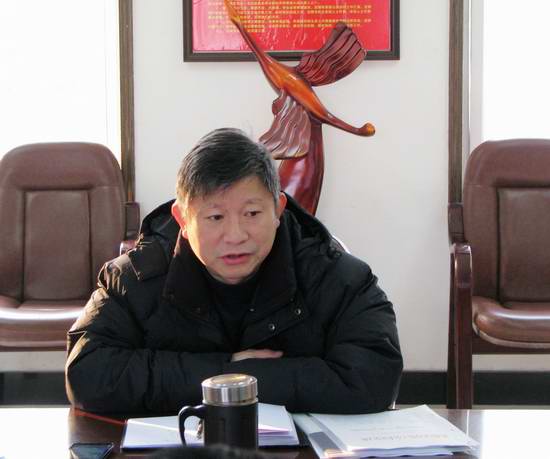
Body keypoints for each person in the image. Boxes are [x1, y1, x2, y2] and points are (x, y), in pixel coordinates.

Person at [65, 128, 403, 414]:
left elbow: (374, 377)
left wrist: (228, 377)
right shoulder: (134, 278)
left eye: (252, 214)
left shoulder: (334, 276)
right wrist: (229, 371)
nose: (236, 235)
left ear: (278, 210)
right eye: (215, 217)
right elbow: (89, 374)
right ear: (183, 220)